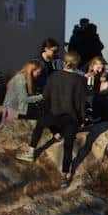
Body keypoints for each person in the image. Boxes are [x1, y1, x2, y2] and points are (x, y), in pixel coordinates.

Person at [16, 52, 86, 187]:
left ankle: (31, 151)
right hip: (71, 118)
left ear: (64, 62)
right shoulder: (79, 80)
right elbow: (81, 102)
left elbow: (46, 96)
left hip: (53, 114)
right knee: (68, 146)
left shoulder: (53, 76)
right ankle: (65, 176)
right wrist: (81, 119)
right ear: (76, 64)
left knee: (40, 124)